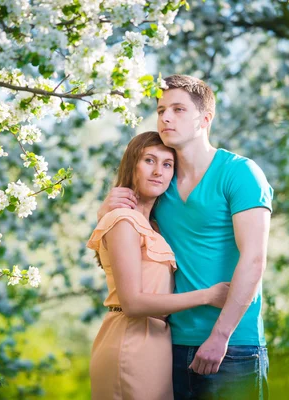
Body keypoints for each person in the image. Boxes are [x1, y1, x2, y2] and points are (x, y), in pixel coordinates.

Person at [97, 75, 273, 400]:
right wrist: (105, 211)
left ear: (205, 119)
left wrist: (220, 336)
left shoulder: (240, 173)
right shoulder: (161, 181)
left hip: (232, 345)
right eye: (161, 109)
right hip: (171, 345)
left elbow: (254, 259)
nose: (165, 117)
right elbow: (129, 243)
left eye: (178, 109)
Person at [87, 131, 231, 400]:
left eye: (167, 164)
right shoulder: (123, 220)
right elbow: (132, 303)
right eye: (149, 160)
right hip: (130, 340)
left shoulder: (153, 226)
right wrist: (207, 296)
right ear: (132, 165)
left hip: (156, 343)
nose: (158, 172)